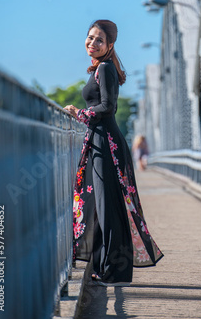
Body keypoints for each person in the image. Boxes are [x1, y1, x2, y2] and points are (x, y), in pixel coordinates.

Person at [64, 19, 163, 286]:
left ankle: (112, 270)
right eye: (90, 37)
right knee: (104, 206)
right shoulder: (100, 68)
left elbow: (107, 107)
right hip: (100, 142)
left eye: (99, 40)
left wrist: (79, 113)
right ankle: (107, 267)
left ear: (109, 45)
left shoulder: (105, 69)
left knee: (107, 208)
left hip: (106, 144)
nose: (92, 43)